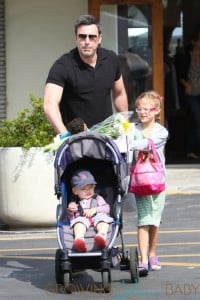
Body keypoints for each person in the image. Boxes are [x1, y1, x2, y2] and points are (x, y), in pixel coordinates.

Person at [43, 14, 128, 134]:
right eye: (82, 37)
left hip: (106, 137)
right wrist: (64, 136)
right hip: (76, 139)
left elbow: (119, 94)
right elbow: (49, 103)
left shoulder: (111, 59)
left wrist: (125, 126)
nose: (87, 41)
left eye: (92, 37)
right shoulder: (63, 65)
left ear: (99, 39)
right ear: (75, 38)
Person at [131, 91, 168, 276]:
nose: (143, 112)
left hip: (158, 180)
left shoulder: (161, 131)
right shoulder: (132, 128)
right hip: (140, 181)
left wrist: (129, 143)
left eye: (147, 109)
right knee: (144, 219)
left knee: (155, 220)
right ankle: (143, 260)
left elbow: (148, 144)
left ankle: (152, 253)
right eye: (139, 108)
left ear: (156, 110)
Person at [67, 169, 114, 252]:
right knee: (78, 223)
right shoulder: (75, 203)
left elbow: (107, 208)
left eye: (90, 187)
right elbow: (71, 218)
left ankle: (101, 235)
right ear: (75, 191)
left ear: (94, 187)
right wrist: (70, 211)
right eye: (83, 189)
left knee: (103, 219)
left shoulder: (98, 198)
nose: (88, 191)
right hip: (82, 219)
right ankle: (79, 239)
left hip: (97, 218)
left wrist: (96, 209)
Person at [175, 31, 200, 159]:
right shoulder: (186, 56)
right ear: (194, 42)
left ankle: (190, 150)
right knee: (197, 119)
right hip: (191, 94)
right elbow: (180, 74)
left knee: (193, 122)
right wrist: (186, 85)